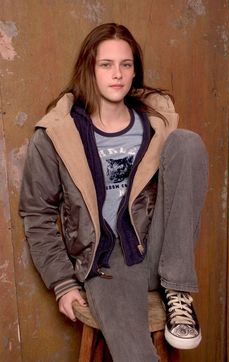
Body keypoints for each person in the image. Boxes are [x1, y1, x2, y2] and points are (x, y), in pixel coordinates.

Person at [19, 23, 208, 362]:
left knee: (187, 143)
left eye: (126, 64)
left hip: (156, 251)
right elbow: (37, 214)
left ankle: (178, 288)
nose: (117, 74)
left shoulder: (156, 124)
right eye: (106, 64)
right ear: (89, 69)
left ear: (135, 70)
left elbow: (177, 194)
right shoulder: (57, 134)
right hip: (105, 262)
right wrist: (62, 281)